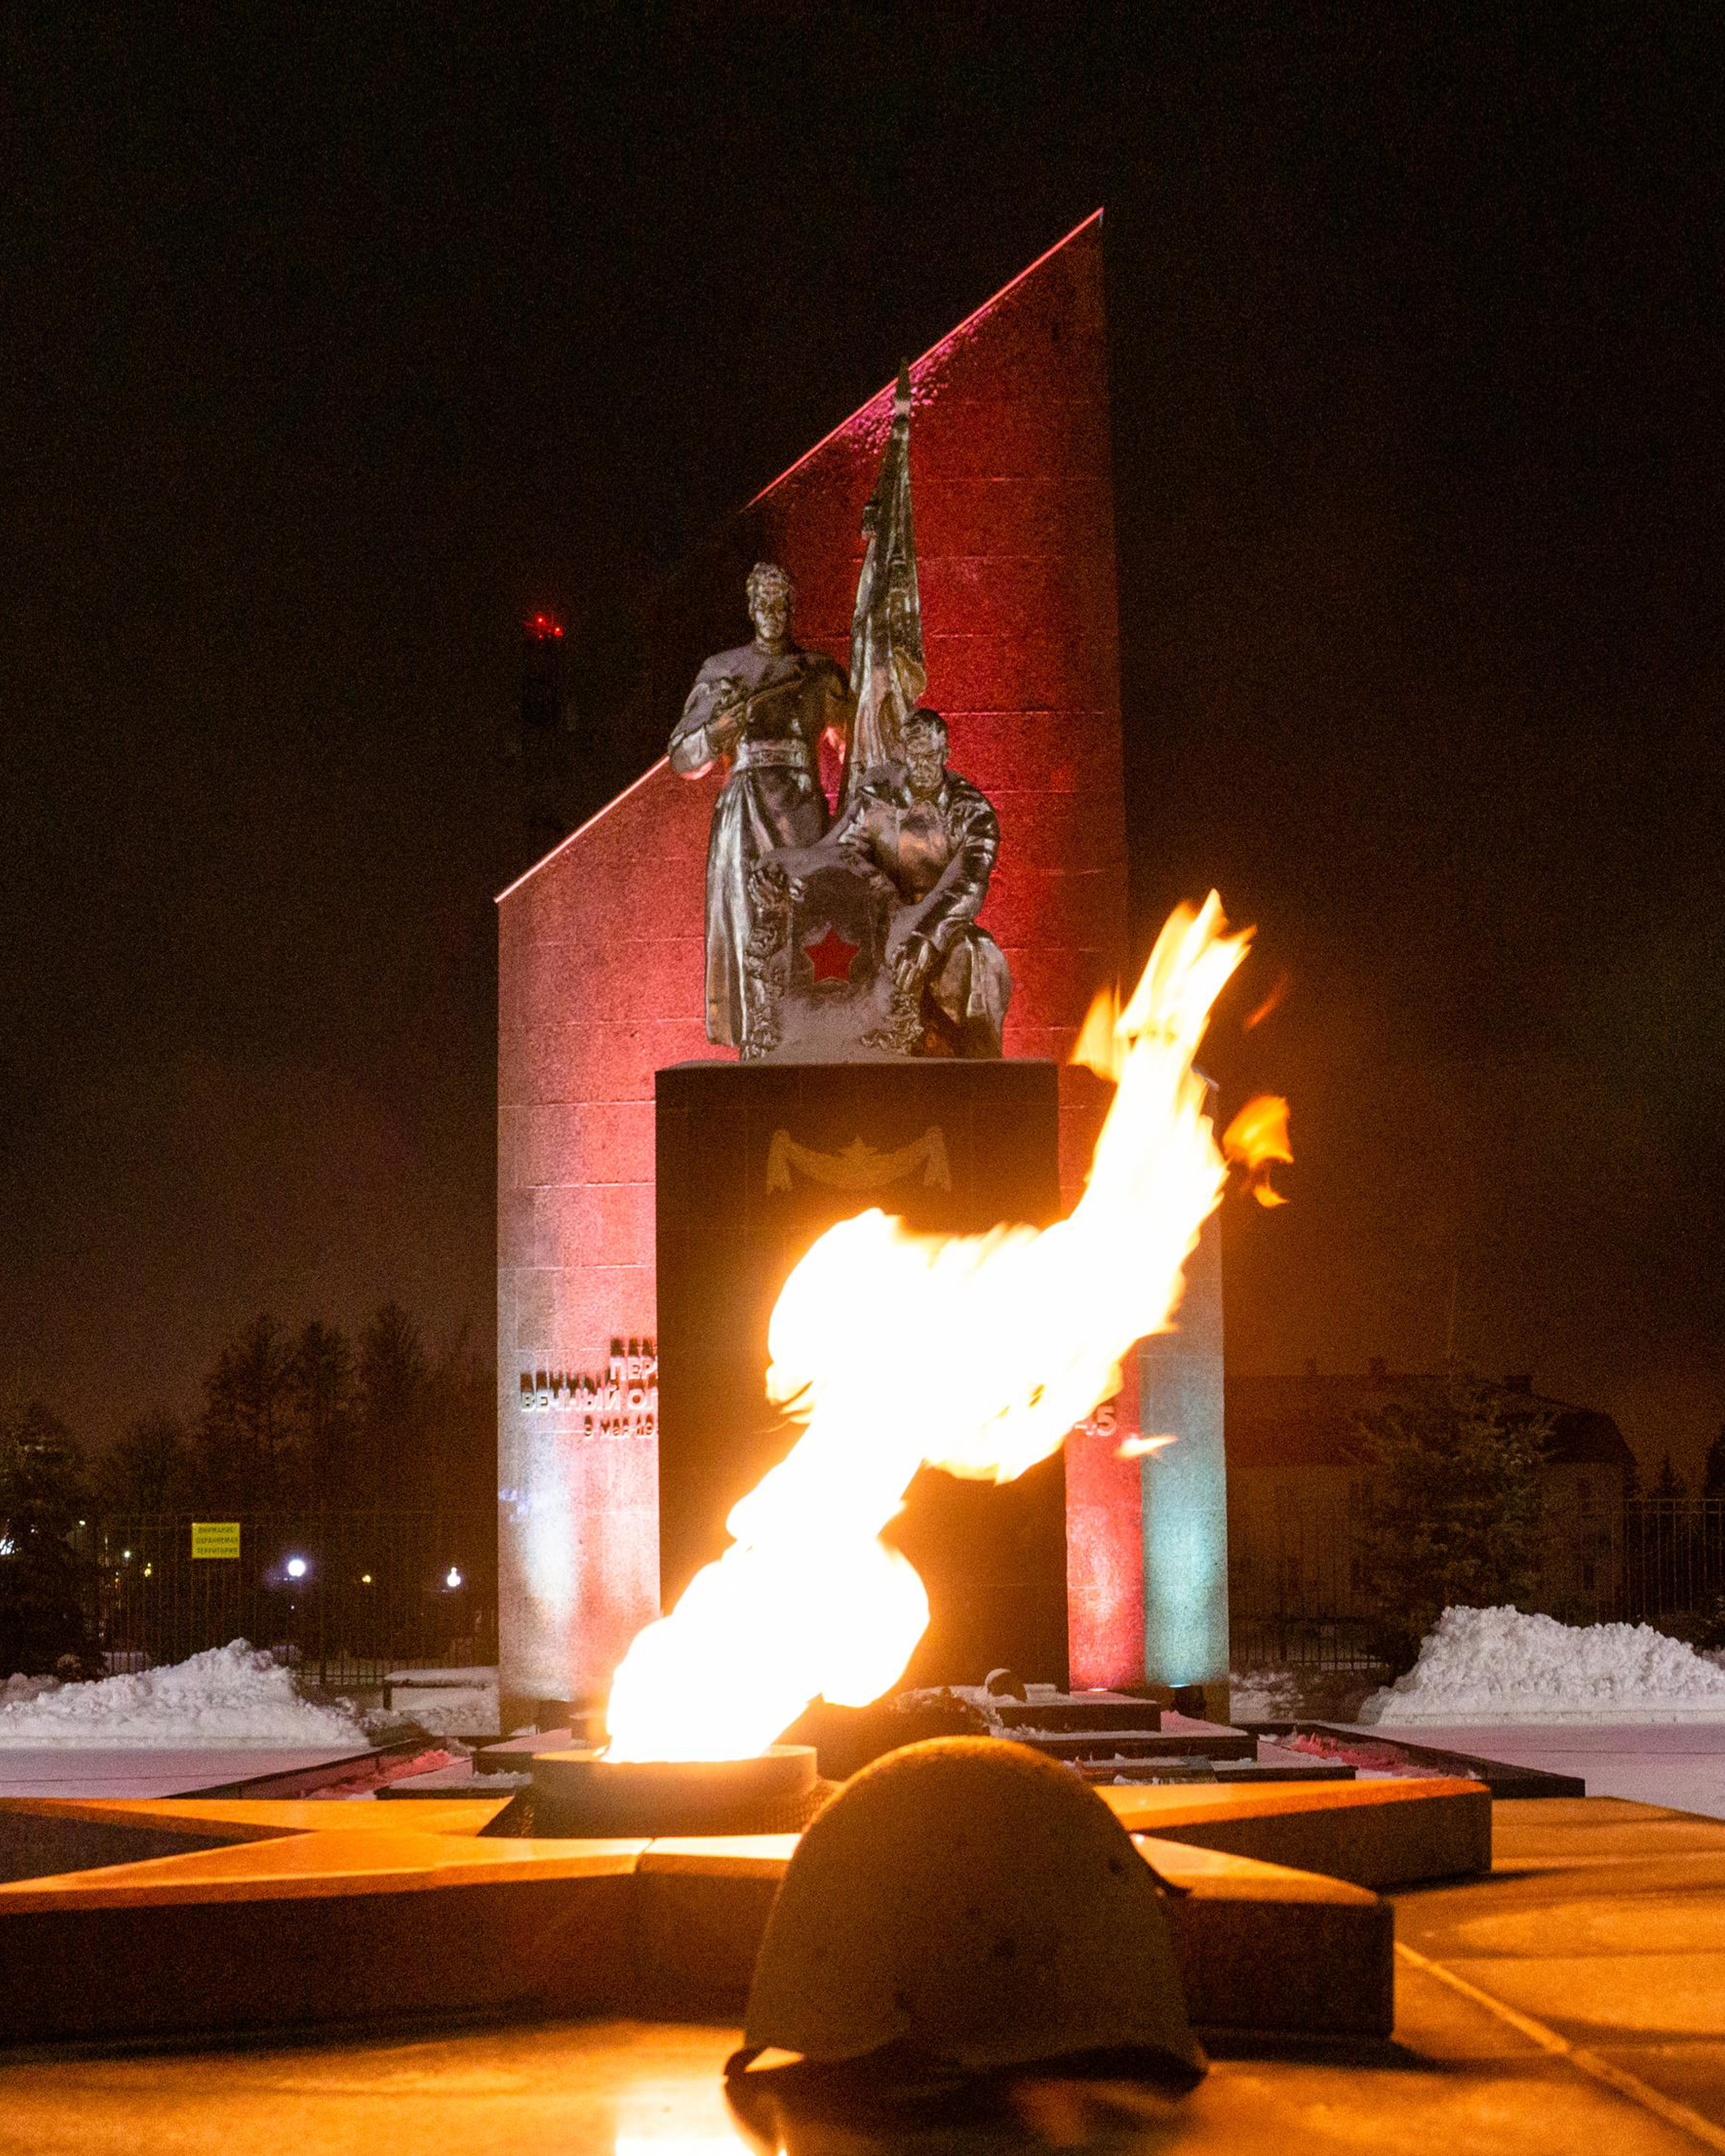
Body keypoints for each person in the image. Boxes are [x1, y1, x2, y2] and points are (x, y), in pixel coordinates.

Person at [670, 564, 850, 1048]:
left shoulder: (819, 673)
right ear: (751, 609)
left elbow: (856, 747)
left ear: (793, 610)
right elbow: (683, 757)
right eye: (764, 604)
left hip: (802, 813)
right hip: (745, 816)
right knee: (751, 926)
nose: (773, 613)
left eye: (781, 604)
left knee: (809, 927)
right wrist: (716, 733)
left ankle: (812, 1036)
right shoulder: (723, 670)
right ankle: (758, 1040)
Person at [835, 706, 1011, 1056]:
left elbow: (969, 884)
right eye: (914, 756)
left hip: (943, 927)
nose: (922, 765)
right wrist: (882, 894)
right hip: (880, 920)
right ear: (903, 754)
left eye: (931, 755)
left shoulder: (972, 811)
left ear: (946, 753)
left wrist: (926, 937)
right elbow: (844, 855)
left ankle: (980, 1066)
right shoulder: (876, 799)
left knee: (980, 957)